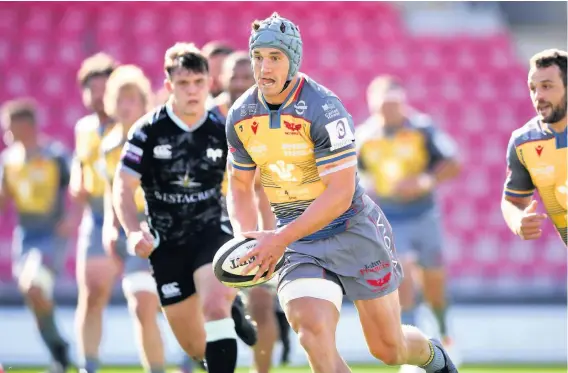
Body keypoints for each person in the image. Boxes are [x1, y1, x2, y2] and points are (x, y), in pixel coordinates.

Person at [227, 12, 458, 373]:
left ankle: (435, 357)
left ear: (293, 61)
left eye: (275, 57)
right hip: (297, 241)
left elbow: (339, 194)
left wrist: (278, 238)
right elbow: (240, 185)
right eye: (258, 57)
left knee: (389, 349)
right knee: (311, 332)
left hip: (351, 229)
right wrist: (249, 239)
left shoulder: (325, 109)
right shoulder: (241, 115)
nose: (264, 67)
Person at [113, 42, 247, 373]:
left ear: (209, 83)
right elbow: (123, 186)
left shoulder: (223, 129)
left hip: (211, 234)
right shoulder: (146, 131)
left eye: (198, 82)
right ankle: (235, 309)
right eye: (183, 83)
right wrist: (132, 231)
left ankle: (227, 303)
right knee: (195, 346)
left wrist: (249, 230)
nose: (192, 91)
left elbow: (249, 184)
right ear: (169, 85)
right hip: (167, 245)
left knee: (215, 309)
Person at [356, 76, 461, 371]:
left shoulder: (422, 128)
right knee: (402, 277)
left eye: (394, 104)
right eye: (383, 105)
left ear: (402, 102)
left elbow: (453, 161)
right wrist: (370, 185)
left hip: (424, 214)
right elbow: (355, 174)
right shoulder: (364, 136)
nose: (389, 110)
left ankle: (444, 331)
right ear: (372, 104)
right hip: (390, 218)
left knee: (434, 281)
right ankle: (413, 349)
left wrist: (425, 181)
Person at [212, 50, 287, 373]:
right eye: (235, 77)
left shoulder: (273, 115)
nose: (241, 83)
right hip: (211, 223)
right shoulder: (206, 117)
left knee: (261, 303)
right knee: (211, 303)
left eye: (247, 77)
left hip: (258, 220)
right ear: (221, 80)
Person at [100, 64, 167, 373]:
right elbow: (110, 192)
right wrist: (110, 227)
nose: (127, 106)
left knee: (182, 308)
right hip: (134, 230)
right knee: (141, 304)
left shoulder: (160, 138)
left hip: (167, 226)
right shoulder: (108, 147)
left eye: (133, 99)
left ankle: (192, 360)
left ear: (144, 103)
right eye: (121, 99)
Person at [0, 99, 74, 373]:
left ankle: (59, 351)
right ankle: (59, 351)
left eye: (10, 127)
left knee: (33, 286)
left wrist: (72, 217)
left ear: (26, 126)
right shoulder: (9, 161)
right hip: (25, 236)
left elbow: (78, 187)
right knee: (34, 296)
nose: (6, 133)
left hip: (50, 236)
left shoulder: (54, 155)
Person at [70, 52, 119, 373]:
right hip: (96, 216)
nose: (98, 97)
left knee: (155, 294)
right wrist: (76, 182)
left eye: (104, 89)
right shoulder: (84, 127)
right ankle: (89, 364)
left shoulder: (130, 124)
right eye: (92, 89)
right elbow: (80, 163)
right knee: (92, 293)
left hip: (132, 215)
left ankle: (185, 356)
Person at [501, 48, 567, 245]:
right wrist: (518, 221)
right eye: (533, 88)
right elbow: (513, 201)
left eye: (547, 86)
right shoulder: (524, 142)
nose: (538, 96)